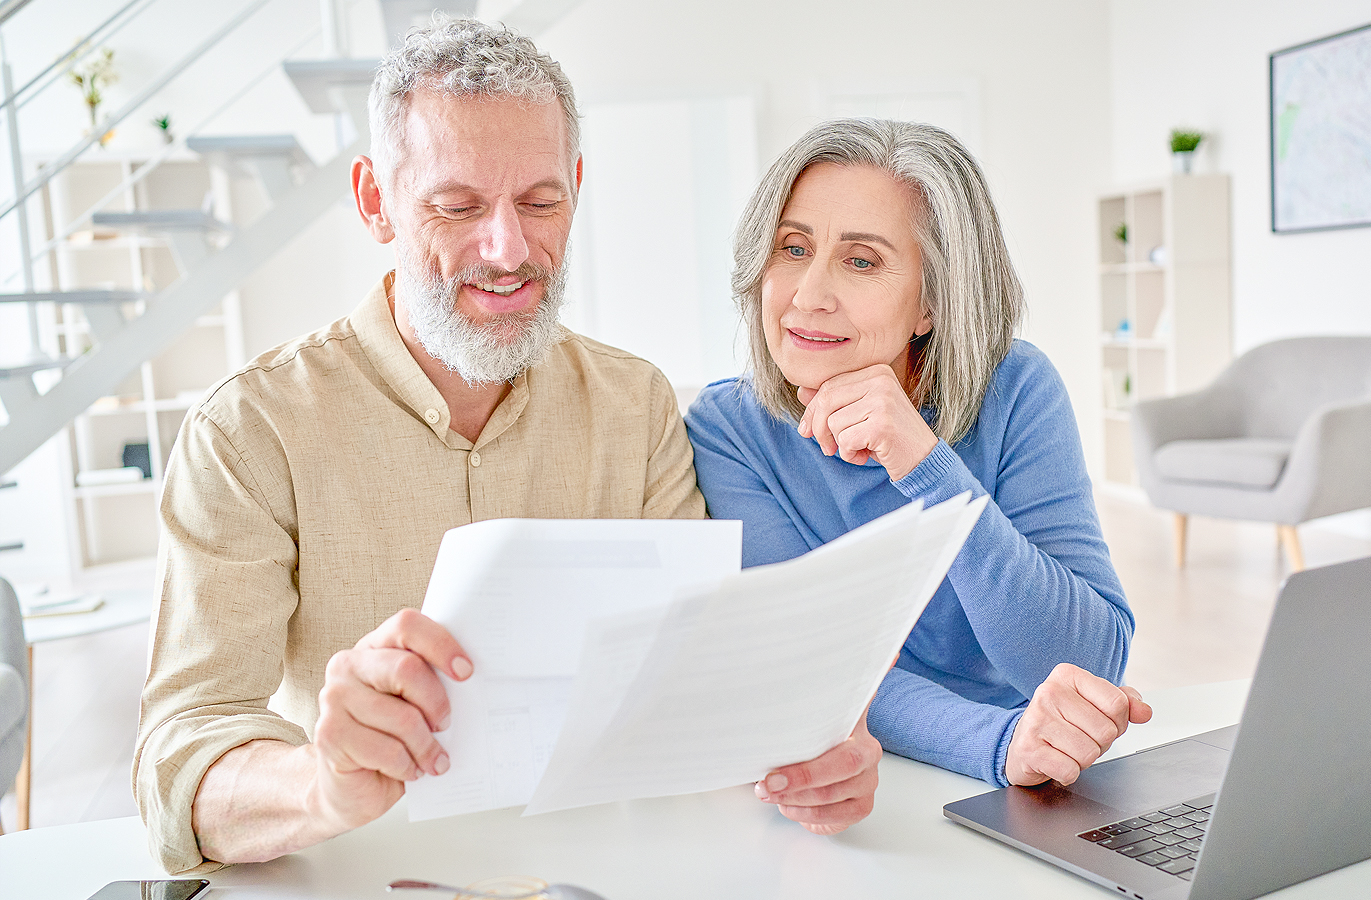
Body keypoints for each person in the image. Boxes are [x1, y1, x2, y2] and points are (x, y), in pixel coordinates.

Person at [133, 20, 874, 876]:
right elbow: (180, 751)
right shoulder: (249, 432)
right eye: (456, 206)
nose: (509, 250)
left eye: (540, 201)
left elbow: (700, 678)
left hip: (606, 874)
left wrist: (809, 746)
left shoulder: (635, 407)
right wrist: (318, 785)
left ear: (578, 186)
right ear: (375, 201)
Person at [686, 119, 1152, 793]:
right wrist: (996, 742)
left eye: (861, 260)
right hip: (852, 776)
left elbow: (1089, 662)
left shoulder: (1017, 389)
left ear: (931, 302)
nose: (808, 294)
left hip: (1029, 780)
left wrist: (929, 470)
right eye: (792, 248)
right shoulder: (729, 428)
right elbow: (812, 661)